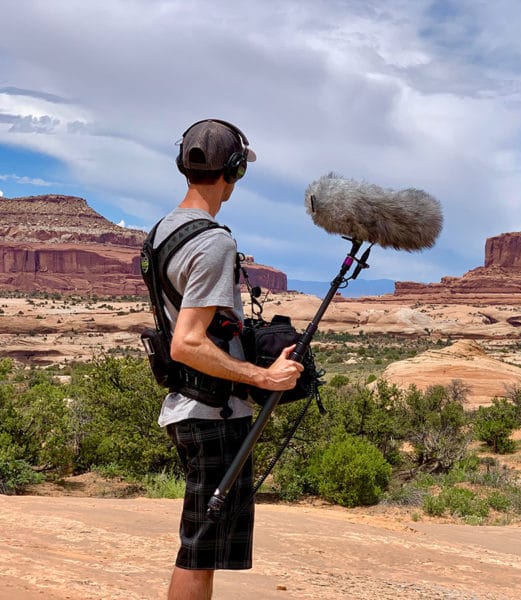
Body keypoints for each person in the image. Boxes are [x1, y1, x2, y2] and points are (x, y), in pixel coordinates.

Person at [153, 118, 303, 600]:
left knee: (201, 545)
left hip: (190, 406)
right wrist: (264, 375)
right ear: (235, 170)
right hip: (213, 412)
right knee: (200, 549)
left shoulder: (162, 232)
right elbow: (187, 342)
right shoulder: (214, 241)